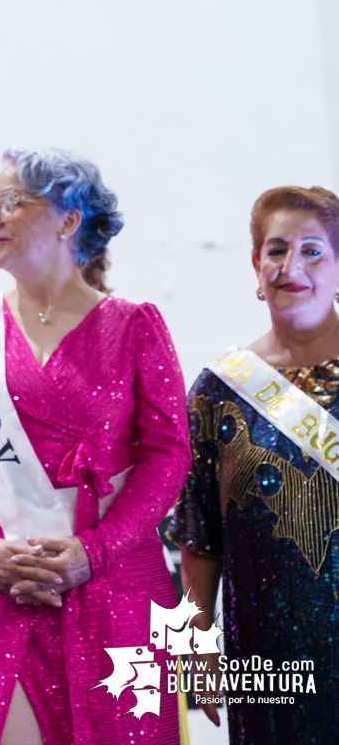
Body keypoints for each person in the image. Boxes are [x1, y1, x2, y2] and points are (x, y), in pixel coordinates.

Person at [0, 148, 189, 745]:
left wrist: (97, 550)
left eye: (12, 202)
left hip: (115, 588)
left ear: (68, 220)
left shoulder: (135, 325)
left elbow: (169, 455)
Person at [172, 186, 339, 743]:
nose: (293, 268)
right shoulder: (219, 390)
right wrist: (196, 646)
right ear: (256, 265)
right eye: (276, 250)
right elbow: (198, 537)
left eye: (313, 250)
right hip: (270, 662)